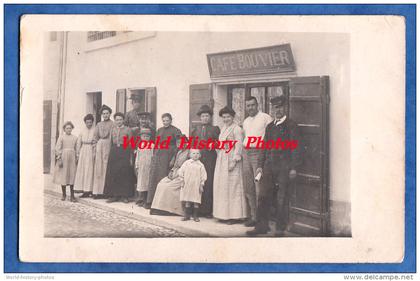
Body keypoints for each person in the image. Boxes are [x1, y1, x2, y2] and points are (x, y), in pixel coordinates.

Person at [246, 95, 302, 237]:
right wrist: (259, 165)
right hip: (269, 167)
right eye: (275, 108)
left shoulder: (291, 125)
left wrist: (294, 167)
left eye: (280, 107)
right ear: (272, 109)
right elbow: (264, 148)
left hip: (284, 167)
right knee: (263, 195)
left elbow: (296, 147)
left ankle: (279, 228)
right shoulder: (270, 127)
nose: (277, 110)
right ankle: (261, 226)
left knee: (281, 198)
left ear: (285, 108)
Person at [213, 106, 248, 224]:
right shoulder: (224, 128)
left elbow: (239, 146)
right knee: (223, 186)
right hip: (222, 158)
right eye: (224, 117)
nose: (226, 119)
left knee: (233, 187)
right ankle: (223, 214)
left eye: (228, 116)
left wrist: (234, 160)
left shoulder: (237, 129)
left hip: (232, 159)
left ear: (233, 117)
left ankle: (234, 216)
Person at [241, 96, 273, 227]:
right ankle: (254, 217)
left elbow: (270, 138)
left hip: (259, 154)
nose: (250, 108)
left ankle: (262, 219)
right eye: (248, 106)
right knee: (249, 187)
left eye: (252, 105)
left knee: (259, 187)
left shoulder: (265, 118)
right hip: (246, 153)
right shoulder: (246, 121)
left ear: (257, 105)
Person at [145, 113, 182, 209]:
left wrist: (174, 158)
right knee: (154, 177)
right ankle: (151, 201)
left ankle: (162, 203)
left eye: (167, 120)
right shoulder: (159, 130)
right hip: (158, 155)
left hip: (168, 156)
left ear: (171, 120)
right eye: (164, 121)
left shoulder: (176, 130)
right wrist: (154, 155)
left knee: (164, 177)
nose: (165, 122)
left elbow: (179, 145)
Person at [190, 104, 220, 218]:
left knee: (208, 183)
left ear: (210, 117)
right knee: (197, 182)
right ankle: (196, 209)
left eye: (207, 116)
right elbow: (192, 145)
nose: (205, 118)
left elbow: (219, 143)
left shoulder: (215, 129)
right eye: (203, 116)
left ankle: (207, 210)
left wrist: (214, 144)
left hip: (210, 160)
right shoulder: (195, 130)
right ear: (200, 117)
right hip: (198, 159)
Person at [150, 134, 190, 215]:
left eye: (182, 142)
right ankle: (160, 208)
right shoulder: (179, 152)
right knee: (161, 184)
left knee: (167, 187)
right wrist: (171, 172)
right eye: (178, 143)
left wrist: (177, 174)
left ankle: (173, 210)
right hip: (175, 173)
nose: (179, 144)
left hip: (183, 177)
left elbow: (187, 168)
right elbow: (174, 165)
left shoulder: (189, 153)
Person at [103, 112, 135, 203]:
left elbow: (131, 142)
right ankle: (114, 195)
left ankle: (124, 196)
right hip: (114, 151)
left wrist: (130, 155)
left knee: (124, 172)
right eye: (117, 120)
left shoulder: (128, 130)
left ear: (123, 120)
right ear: (115, 120)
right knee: (114, 172)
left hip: (124, 151)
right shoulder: (112, 129)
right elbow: (110, 142)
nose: (119, 121)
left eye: (120, 119)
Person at [178, 149, 207, 222]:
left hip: (196, 186)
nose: (195, 155)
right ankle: (187, 215)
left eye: (197, 153)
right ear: (190, 155)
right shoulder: (186, 163)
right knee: (187, 200)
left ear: (200, 155)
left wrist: (201, 184)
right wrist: (182, 180)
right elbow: (181, 172)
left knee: (196, 201)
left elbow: (203, 176)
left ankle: (195, 216)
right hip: (187, 184)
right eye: (193, 153)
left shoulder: (201, 165)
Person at [92, 105, 114, 199]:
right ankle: (98, 192)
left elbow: (113, 137)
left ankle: (106, 192)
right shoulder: (98, 124)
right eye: (103, 113)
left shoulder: (113, 124)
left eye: (107, 113)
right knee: (99, 167)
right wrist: (94, 147)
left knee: (106, 166)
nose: (105, 115)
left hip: (108, 145)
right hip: (100, 145)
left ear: (110, 114)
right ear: (101, 115)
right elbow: (95, 137)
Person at [53, 121, 78, 202]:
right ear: (64, 129)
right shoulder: (61, 137)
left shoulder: (75, 138)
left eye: (70, 128)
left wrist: (77, 157)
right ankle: (64, 194)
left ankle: (72, 195)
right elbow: (57, 148)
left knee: (72, 175)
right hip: (63, 157)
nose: (69, 130)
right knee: (63, 175)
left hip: (72, 158)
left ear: (72, 129)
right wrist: (59, 158)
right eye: (67, 128)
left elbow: (77, 148)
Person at [74, 114, 96, 198]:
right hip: (84, 150)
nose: (89, 124)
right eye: (87, 122)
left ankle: (90, 190)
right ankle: (83, 190)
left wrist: (94, 152)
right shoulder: (82, 131)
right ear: (85, 123)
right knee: (83, 170)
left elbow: (95, 141)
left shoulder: (95, 130)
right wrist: (78, 153)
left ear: (92, 122)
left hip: (91, 150)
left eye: (90, 122)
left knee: (90, 170)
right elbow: (79, 142)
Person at [135, 127, 154, 207]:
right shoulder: (140, 145)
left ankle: (147, 199)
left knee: (147, 182)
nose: (145, 138)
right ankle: (141, 198)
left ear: (149, 137)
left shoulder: (152, 145)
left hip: (148, 166)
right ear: (141, 137)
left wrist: (152, 165)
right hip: (141, 166)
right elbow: (138, 156)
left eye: (147, 136)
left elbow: (153, 155)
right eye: (143, 136)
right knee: (141, 182)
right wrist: (137, 165)